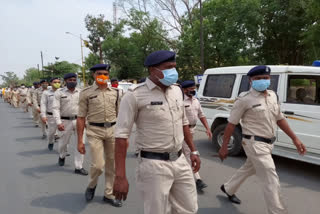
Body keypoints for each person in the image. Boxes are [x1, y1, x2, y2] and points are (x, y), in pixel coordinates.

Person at [113, 50, 201, 214]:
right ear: (153, 70)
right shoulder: (134, 95)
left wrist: (193, 150)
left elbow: (183, 122)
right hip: (153, 165)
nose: (173, 71)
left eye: (174, 67)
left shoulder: (176, 90)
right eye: (168, 67)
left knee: (189, 209)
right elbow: (121, 137)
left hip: (180, 160)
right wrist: (120, 176)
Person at [218, 65, 307, 214]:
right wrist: (224, 146)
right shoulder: (244, 99)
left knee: (249, 168)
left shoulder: (272, 95)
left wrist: (295, 139)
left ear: (269, 79)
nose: (262, 81)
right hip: (254, 143)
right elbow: (231, 124)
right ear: (250, 80)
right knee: (271, 180)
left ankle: (228, 188)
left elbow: (280, 119)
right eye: (257, 78)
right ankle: (277, 211)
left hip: (268, 143)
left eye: (265, 78)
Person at [77, 64, 122, 207]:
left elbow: (120, 115)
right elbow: (81, 117)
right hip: (94, 131)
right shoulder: (86, 93)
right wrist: (80, 141)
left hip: (113, 130)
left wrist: (123, 136)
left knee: (112, 165)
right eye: (99, 73)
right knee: (98, 165)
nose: (103, 76)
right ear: (93, 75)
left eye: (105, 74)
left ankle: (109, 194)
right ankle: (92, 185)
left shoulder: (116, 92)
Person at [52, 73, 88, 176]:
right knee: (63, 143)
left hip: (79, 121)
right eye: (70, 80)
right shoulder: (59, 93)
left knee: (81, 143)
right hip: (65, 121)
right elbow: (55, 108)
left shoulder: (81, 92)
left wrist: (87, 121)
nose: (72, 81)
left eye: (74, 79)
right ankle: (62, 155)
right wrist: (58, 122)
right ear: (65, 81)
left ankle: (78, 166)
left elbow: (86, 107)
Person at [181, 80, 212, 192]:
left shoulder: (196, 101)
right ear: (184, 90)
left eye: (194, 88)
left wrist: (207, 128)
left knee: (184, 154)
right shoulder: (180, 101)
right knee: (189, 153)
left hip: (192, 129)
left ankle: (179, 175)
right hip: (183, 131)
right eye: (191, 89)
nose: (193, 90)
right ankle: (197, 179)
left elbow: (201, 115)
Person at [41, 77, 61, 151]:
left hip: (61, 115)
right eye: (55, 82)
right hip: (51, 115)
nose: (57, 84)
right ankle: (51, 142)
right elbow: (43, 104)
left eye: (58, 82)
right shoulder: (46, 93)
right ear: (51, 83)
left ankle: (64, 150)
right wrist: (43, 115)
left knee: (64, 134)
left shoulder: (63, 92)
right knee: (51, 132)